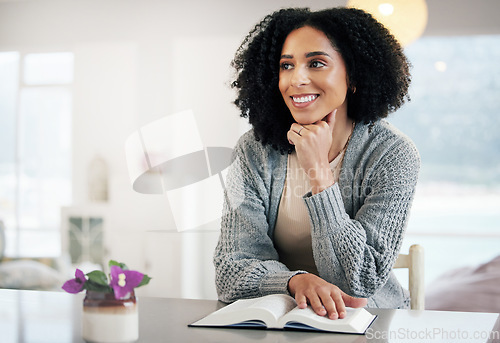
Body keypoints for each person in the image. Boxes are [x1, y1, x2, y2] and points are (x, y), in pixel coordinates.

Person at [214, 7, 420, 320]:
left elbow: (360, 280)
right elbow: (232, 269)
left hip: (370, 323)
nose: (296, 79)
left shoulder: (393, 155)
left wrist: (319, 174)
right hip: (285, 317)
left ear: (353, 75)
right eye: (287, 65)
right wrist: (295, 281)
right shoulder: (253, 151)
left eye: (316, 63)